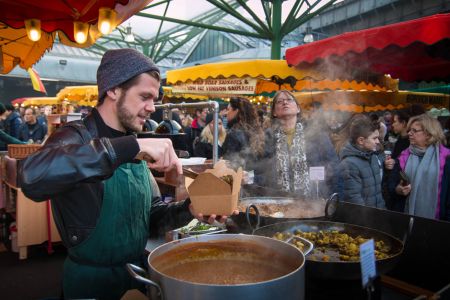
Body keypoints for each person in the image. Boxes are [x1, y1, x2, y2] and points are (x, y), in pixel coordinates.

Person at [18, 49, 231, 299]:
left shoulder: (135, 142)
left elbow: (149, 218)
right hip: (90, 285)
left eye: (154, 98)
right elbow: (31, 177)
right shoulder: (75, 136)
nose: (153, 107)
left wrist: (189, 210)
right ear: (113, 89)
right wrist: (131, 147)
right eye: (145, 96)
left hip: (137, 278)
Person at [389, 114, 450, 219]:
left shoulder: (446, 158)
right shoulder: (404, 155)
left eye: (414, 131)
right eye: (409, 130)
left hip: (438, 221)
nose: (409, 133)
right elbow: (391, 184)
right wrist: (398, 189)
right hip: (405, 218)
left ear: (428, 134)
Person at [338, 115, 395, 208]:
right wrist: (368, 220)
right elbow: (355, 200)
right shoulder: (349, 164)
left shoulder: (372, 156)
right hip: (365, 219)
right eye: (374, 138)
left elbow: (377, 191)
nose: (378, 142)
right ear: (361, 140)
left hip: (378, 214)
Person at [222, 97, 265, 189]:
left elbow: (229, 165)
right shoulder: (257, 132)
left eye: (228, 109)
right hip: (258, 186)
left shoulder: (233, 134)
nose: (226, 113)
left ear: (236, 111)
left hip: (240, 188)